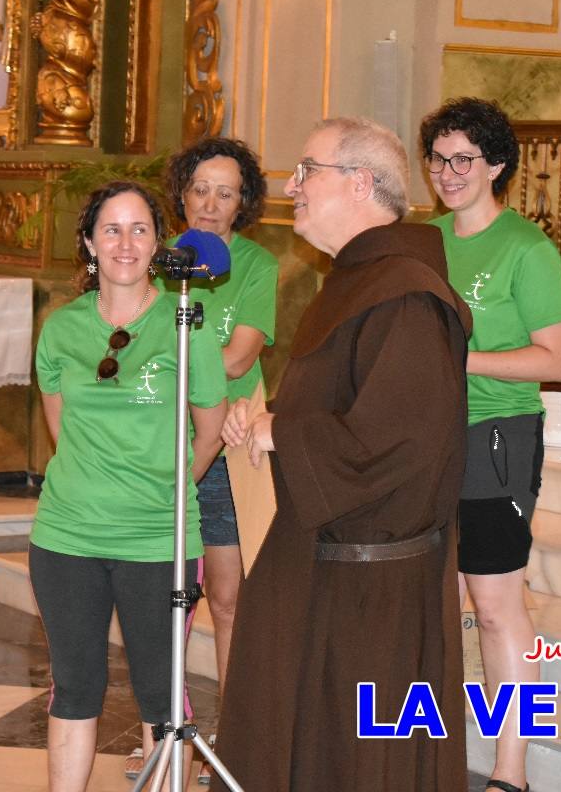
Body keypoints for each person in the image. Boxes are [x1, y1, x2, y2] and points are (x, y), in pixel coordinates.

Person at [210, 117, 472, 792]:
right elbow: (339, 407)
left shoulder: (405, 293)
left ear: (361, 183)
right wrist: (265, 418)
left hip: (371, 590)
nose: (291, 186)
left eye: (306, 171)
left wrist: (284, 435)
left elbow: (401, 440)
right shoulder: (358, 280)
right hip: (327, 564)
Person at [30, 180, 228, 792]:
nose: (125, 242)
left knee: (161, 695)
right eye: (110, 229)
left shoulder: (186, 320)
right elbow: (63, 428)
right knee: (75, 687)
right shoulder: (61, 330)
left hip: (158, 540)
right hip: (67, 537)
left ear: (157, 242)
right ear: (89, 242)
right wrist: (99, 484)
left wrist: (164, 491)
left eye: (139, 228)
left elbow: (211, 430)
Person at [420, 98, 561, 792]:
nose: (447, 173)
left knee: (494, 605)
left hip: (497, 439)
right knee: (433, 605)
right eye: (438, 158)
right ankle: (431, 756)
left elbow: (557, 361)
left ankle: (511, 773)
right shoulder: (421, 241)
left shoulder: (525, 248)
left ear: (496, 166)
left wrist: (463, 360)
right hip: (426, 439)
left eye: (463, 160)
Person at [121, 137, 278, 783]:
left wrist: (172, 356)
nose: (212, 204)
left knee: (226, 593)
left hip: (228, 447)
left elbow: (239, 359)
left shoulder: (258, 265)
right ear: (181, 194)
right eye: (201, 189)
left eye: (227, 192)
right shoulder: (151, 261)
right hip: (155, 445)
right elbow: (123, 352)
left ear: (244, 203)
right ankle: (160, 734)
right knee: (157, 597)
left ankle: (236, 730)